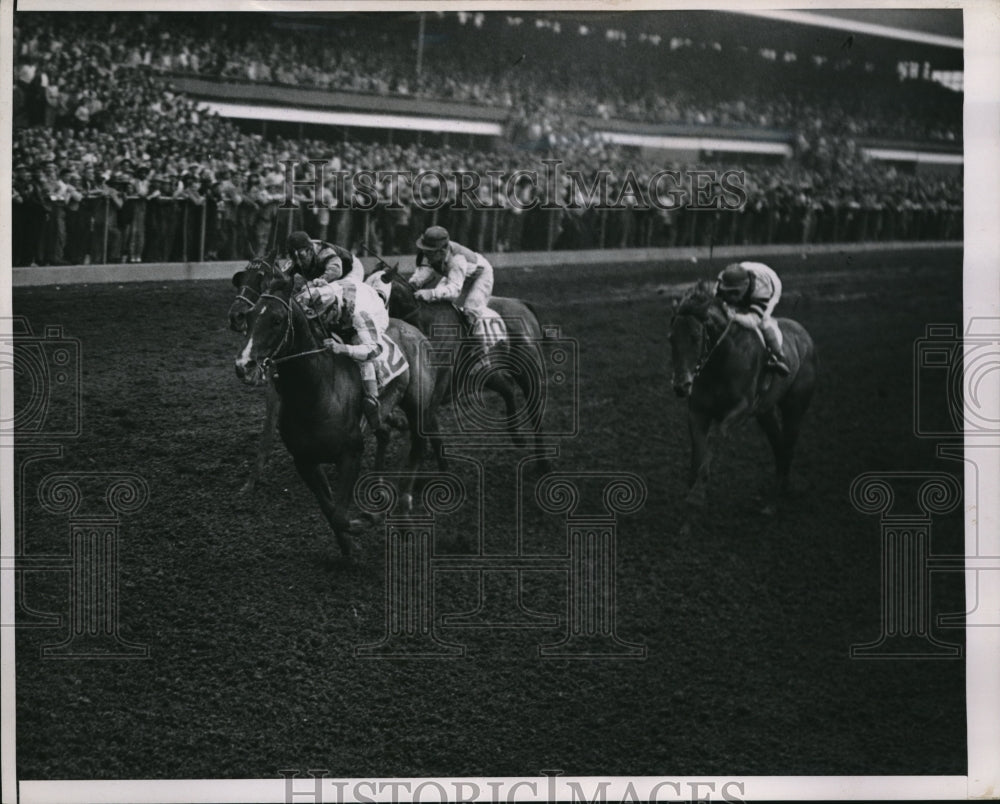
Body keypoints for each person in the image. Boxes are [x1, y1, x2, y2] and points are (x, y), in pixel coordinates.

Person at [296, 279, 391, 434]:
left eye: (323, 316)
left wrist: (343, 348)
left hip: (374, 310)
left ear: (333, 309)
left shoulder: (361, 315)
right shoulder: (315, 295)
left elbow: (375, 349)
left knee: (357, 342)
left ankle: (372, 399)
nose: (322, 320)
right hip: (348, 291)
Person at [409, 225, 496, 350]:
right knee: (438, 303)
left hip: (480, 276)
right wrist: (413, 283)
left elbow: (454, 290)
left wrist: (431, 293)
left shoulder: (457, 260)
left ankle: (482, 350)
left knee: (470, 311)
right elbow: (423, 273)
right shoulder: (433, 254)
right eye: (425, 250)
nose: (426, 254)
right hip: (457, 274)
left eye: (429, 251)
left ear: (442, 251)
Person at [715, 261, 791, 376]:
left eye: (735, 292)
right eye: (728, 292)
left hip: (771, 283)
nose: (731, 297)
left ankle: (777, 356)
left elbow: (753, 321)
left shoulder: (763, 290)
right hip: (748, 270)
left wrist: (734, 316)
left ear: (745, 285)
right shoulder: (720, 285)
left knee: (763, 321)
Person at [285, 230, 364, 291]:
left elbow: (336, 271)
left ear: (310, 250)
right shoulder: (294, 258)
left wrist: (317, 282)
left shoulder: (323, 251)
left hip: (351, 269)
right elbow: (282, 275)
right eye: (294, 256)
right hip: (328, 272)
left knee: (338, 292)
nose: (298, 262)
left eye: (301, 256)